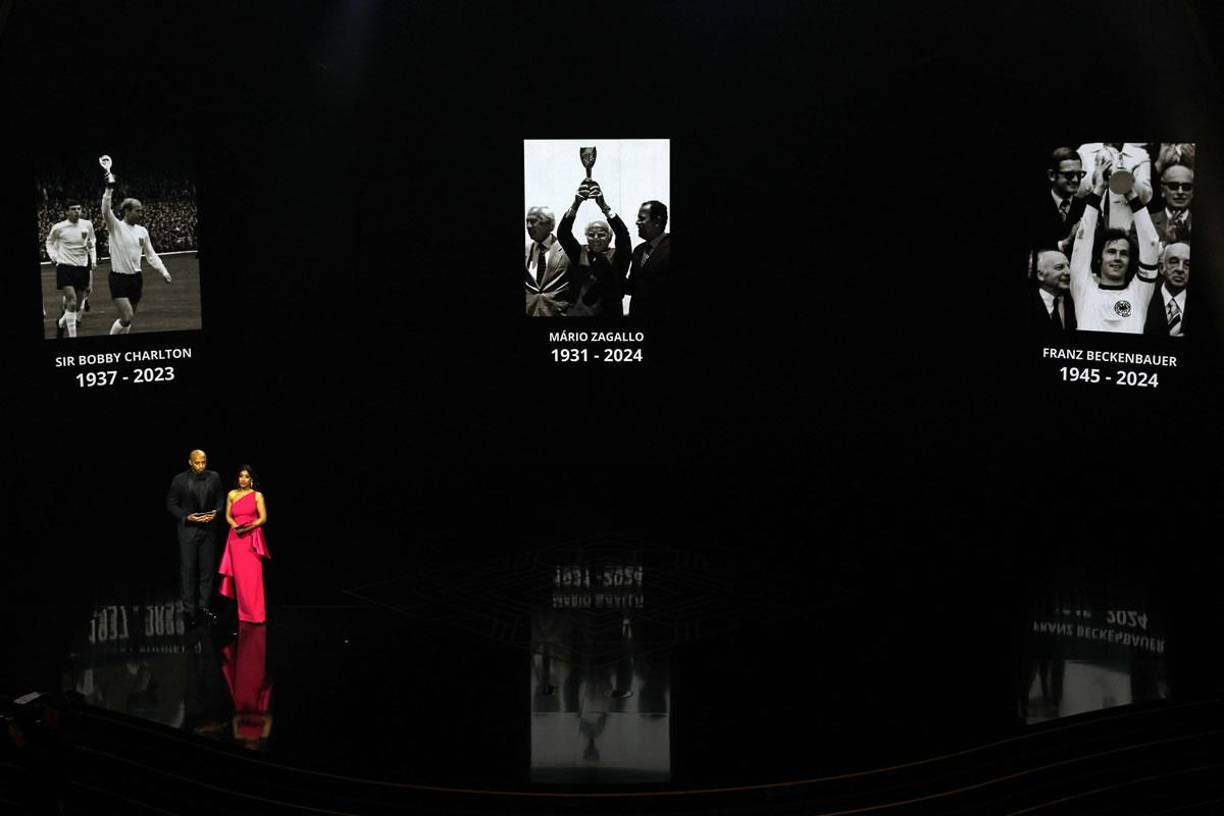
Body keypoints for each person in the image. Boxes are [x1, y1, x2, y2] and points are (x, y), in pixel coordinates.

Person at [1069, 153, 1161, 334]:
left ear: (1130, 261)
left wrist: (1130, 193)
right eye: (1111, 251)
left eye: (1124, 253)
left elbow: (1151, 242)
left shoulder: (1139, 293)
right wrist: (1098, 189)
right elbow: (1082, 239)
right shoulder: (1082, 288)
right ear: (1098, 259)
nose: (1118, 257)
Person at [101, 179, 172, 335]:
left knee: (128, 319)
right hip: (118, 278)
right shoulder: (116, 227)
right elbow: (106, 210)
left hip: (136, 279)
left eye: (141, 210)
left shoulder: (142, 231)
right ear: (127, 211)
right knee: (127, 315)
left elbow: (150, 254)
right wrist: (109, 189)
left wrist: (164, 271)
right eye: (137, 210)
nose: (141, 213)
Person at [166, 450, 225, 626]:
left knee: (207, 570)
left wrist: (216, 513)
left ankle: (204, 607)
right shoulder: (179, 479)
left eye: (203, 462)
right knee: (188, 571)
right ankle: (188, 611)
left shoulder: (214, 477)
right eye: (197, 462)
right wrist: (186, 517)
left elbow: (220, 499)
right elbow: (171, 503)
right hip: (188, 530)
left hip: (208, 530)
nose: (201, 466)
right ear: (190, 462)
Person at [556, 180, 631, 317]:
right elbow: (563, 234)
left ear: (609, 237)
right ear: (586, 237)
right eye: (591, 234)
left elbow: (623, 235)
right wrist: (576, 204)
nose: (596, 238)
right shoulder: (581, 253)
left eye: (601, 234)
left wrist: (604, 206)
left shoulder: (619, 256)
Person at [218, 465, 270, 624]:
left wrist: (249, 527)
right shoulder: (232, 494)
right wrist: (235, 526)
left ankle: (257, 615)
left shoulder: (257, 496)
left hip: (251, 538)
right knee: (240, 579)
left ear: (251, 479)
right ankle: (244, 615)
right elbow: (227, 515)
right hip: (235, 539)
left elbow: (263, 518)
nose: (243, 479)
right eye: (241, 476)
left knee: (253, 577)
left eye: (246, 476)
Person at [1075, 142, 1152, 233]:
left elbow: (1146, 198)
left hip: (1126, 229)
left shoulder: (1139, 155)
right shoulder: (1084, 151)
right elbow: (1075, 192)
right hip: (1090, 226)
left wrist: (1129, 179)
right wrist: (1095, 178)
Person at [46, 202, 96, 338]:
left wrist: (93, 253)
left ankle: (61, 323)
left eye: (79, 209)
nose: (77, 212)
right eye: (73, 209)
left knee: (78, 304)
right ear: (66, 212)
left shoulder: (87, 225)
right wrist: (53, 256)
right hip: (65, 267)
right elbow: (49, 242)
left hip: (82, 268)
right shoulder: (58, 228)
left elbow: (92, 240)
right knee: (72, 301)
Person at [1031, 148, 1087, 258]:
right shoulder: (1034, 207)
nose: (1076, 180)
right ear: (1052, 175)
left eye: (1080, 174)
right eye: (1069, 175)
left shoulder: (1086, 209)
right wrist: (1065, 243)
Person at [524, 206, 573, 316]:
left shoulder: (566, 251)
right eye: (527, 222)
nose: (528, 226)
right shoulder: (526, 251)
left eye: (533, 221)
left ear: (550, 225)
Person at [626, 201, 671, 318]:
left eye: (641, 218)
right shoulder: (638, 251)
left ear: (657, 221)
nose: (637, 222)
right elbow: (633, 286)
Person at [1145, 242, 1190, 337]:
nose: (1180, 269)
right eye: (1174, 262)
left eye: (1187, 264)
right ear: (1162, 268)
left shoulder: (1203, 306)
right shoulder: (1145, 300)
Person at [1030, 249, 1077, 334]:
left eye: (1068, 266)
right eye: (1059, 267)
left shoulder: (1076, 301)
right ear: (1040, 275)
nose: (1068, 272)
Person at [1150, 164, 1193, 248]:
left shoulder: (1206, 226)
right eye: (1173, 186)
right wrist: (1166, 242)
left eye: (1186, 187)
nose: (1180, 192)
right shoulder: (1147, 223)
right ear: (1162, 190)